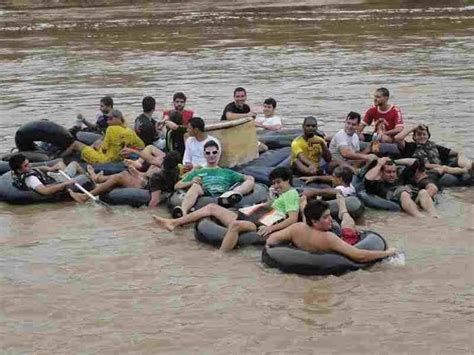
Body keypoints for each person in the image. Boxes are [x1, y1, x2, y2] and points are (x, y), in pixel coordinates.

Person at [153, 166, 300, 252]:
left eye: (279, 182)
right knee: (211, 207)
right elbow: (269, 208)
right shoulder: (281, 194)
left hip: (259, 224)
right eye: (274, 183)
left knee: (235, 226)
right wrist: (271, 198)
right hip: (254, 217)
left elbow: (292, 219)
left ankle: (221, 257)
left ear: (288, 180)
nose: (276, 185)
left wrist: (271, 229)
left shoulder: (291, 194)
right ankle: (173, 222)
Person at [265, 197, 397, 261]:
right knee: (348, 228)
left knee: (329, 225)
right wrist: (387, 253)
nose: (330, 219)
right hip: (334, 243)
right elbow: (359, 256)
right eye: (326, 217)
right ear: (315, 220)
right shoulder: (329, 238)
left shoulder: (296, 228)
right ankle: (343, 209)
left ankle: (304, 206)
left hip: (308, 236)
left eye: (330, 215)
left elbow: (271, 240)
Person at [171, 140, 254, 218]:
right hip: (205, 193)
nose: (211, 155)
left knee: (250, 180)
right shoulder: (197, 172)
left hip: (225, 194)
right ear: (204, 154)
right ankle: (183, 212)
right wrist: (191, 182)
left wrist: (238, 189)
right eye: (208, 153)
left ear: (218, 153)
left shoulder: (227, 172)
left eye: (214, 152)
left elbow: (248, 178)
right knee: (195, 186)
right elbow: (177, 186)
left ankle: (234, 195)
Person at [69, 151, 181, 208]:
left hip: (145, 188)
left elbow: (154, 200)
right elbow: (152, 161)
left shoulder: (158, 176)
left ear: (165, 161)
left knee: (120, 176)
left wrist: (148, 215)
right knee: (125, 173)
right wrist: (138, 173)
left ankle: (85, 196)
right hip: (148, 183)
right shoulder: (175, 169)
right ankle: (97, 178)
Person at [364, 157, 438, 217]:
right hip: (399, 196)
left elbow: (416, 162)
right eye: (388, 172)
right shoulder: (378, 184)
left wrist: (394, 161)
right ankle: (420, 217)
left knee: (423, 192)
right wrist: (379, 164)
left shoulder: (401, 177)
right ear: (381, 172)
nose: (392, 175)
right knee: (404, 193)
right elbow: (367, 178)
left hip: (412, 196)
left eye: (394, 172)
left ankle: (434, 216)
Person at [64, 110, 145, 164]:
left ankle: (59, 158)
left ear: (118, 118)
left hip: (106, 159)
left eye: (110, 119)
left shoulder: (111, 129)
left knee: (76, 144)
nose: (108, 121)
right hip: (118, 158)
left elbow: (104, 148)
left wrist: (96, 146)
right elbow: (141, 146)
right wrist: (131, 150)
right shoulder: (130, 131)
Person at [394, 124, 472, 176]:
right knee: (443, 168)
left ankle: (468, 168)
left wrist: (461, 155)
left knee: (461, 154)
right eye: (419, 134)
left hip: (442, 168)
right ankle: (464, 171)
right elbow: (397, 138)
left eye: (424, 134)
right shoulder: (409, 147)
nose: (422, 137)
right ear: (414, 137)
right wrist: (414, 128)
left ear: (428, 136)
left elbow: (455, 153)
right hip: (424, 171)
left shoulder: (435, 146)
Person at [9, 153, 81, 196]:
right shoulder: (31, 179)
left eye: (28, 163)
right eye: (26, 165)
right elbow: (45, 191)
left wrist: (51, 169)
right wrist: (65, 183)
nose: (29, 166)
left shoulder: (25, 170)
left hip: (49, 178)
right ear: (19, 170)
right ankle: (89, 179)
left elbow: (37, 168)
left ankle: (71, 175)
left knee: (60, 164)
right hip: (56, 182)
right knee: (74, 164)